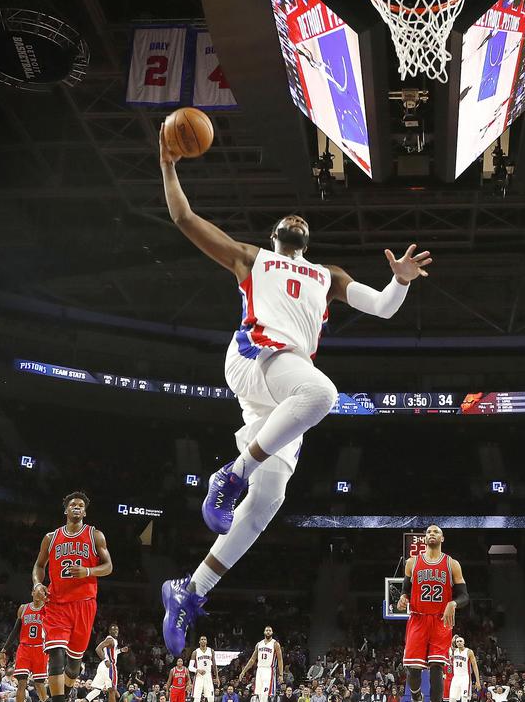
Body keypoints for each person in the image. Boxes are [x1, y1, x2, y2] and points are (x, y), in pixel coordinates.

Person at [157, 130, 433, 656]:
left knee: (268, 502)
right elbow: (185, 220)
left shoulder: (326, 274)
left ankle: (188, 593)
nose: (297, 221)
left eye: (304, 221)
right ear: (278, 233)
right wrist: (168, 165)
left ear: (308, 237)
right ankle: (230, 474)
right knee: (323, 395)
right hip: (255, 356)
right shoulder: (250, 257)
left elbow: (381, 307)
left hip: (283, 388)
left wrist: (399, 281)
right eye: (290, 220)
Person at [32, 492, 114, 702]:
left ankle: (64, 694)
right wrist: (38, 584)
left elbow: (108, 567)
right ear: (66, 510)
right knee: (56, 655)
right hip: (57, 603)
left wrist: (88, 571)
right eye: (72, 504)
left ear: (84, 512)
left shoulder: (95, 535)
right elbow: (39, 566)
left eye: (80, 505)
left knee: (74, 665)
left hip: (84, 604)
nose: (76, 507)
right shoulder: (51, 538)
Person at [396, 526, 468, 702]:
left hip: (440, 621)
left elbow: (464, 596)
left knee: (437, 668)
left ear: (442, 538)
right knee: (413, 669)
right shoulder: (412, 563)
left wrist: (453, 602)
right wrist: (403, 599)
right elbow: (405, 591)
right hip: (418, 618)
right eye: (428, 532)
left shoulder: (452, 564)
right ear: (424, 539)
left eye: (435, 532)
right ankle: (416, 696)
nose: (431, 534)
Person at [5, 587, 49, 702]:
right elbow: (15, 631)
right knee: (21, 684)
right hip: (24, 648)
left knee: (39, 684)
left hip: (40, 648)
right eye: (37, 591)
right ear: (32, 593)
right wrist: (4, 649)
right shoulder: (23, 608)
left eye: (42, 592)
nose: (39, 593)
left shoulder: (48, 608)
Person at [237, 627, 283, 702]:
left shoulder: (275, 644)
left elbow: (280, 660)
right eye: (266, 630)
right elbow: (252, 659)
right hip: (259, 670)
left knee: (266, 694)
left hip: (269, 670)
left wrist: (281, 675)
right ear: (264, 632)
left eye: (270, 630)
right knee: (258, 694)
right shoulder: (259, 644)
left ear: (272, 632)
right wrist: (243, 671)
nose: (268, 632)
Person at [88, 625, 125, 702]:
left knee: (98, 690)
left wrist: (121, 650)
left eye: (117, 630)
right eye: (113, 630)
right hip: (110, 666)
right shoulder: (110, 640)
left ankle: (85, 700)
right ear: (109, 631)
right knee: (111, 690)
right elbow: (98, 649)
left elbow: (112, 653)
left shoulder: (113, 640)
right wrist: (105, 660)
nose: (116, 631)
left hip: (103, 666)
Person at [448, 637, 481, 702]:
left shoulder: (469, 652)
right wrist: (452, 639)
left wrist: (478, 680)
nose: (459, 643)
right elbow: (447, 644)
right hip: (456, 677)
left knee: (464, 698)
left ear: (464, 642)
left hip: (465, 677)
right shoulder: (454, 651)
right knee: (452, 699)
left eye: (460, 641)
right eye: (457, 641)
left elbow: (474, 666)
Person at [191, 637, 219, 702]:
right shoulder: (195, 652)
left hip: (208, 675)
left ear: (206, 641)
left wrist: (217, 677)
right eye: (202, 639)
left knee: (211, 697)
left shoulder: (211, 651)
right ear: (199, 641)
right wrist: (198, 670)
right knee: (197, 697)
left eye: (205, 639)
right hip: (199, 676)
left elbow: (214, 665)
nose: (203, 641)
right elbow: (190, 667)